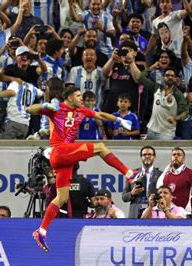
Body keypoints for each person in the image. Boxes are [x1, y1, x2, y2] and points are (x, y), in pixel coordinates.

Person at [28, 86, 135, 252]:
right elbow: (30, 109)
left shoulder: (81, 110)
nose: (81, 98)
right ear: (69, 97)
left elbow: (100, 115)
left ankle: (41, 230)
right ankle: (129, 174)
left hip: (65, 159)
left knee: (62, 197)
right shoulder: (57, 109)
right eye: (78, 96)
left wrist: (119, 121)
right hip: (59, 151)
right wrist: (45, 106)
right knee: (99, 146)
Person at [156, 147, 192, 214]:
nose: (176, 156)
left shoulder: (191, 173)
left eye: (179, 155)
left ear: (183, 159)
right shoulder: (166, 174)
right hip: (167, 213)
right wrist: (165, 170)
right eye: (174, 155)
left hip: (185, 213)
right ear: (171, 158)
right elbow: (158, 186)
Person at [122, 145, 163, 218]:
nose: (147, 156)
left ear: (154, 157)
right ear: (141, 157)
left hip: (154, 213)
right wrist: (132, 193)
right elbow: (124, 197)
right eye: (144, 155)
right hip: (135, 214)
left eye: (150, 154)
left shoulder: (161, 175)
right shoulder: (132, 174)